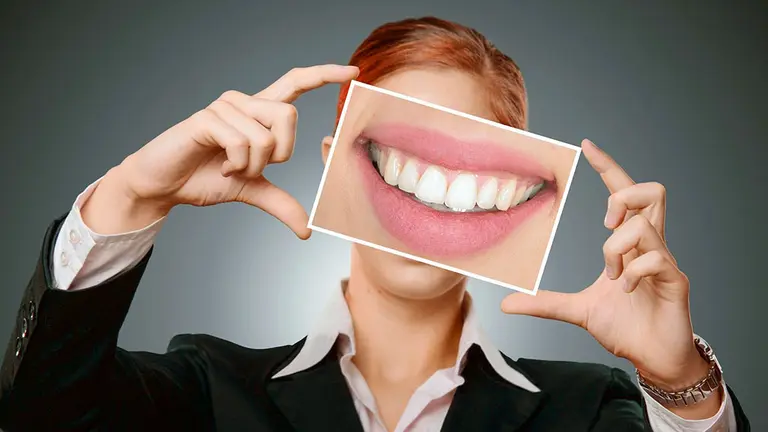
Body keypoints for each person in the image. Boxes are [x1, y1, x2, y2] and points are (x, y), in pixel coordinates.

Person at [0, 16, 750, 432]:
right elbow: (41, 415)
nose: (441, 184)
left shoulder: (591, 410)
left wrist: (679, 379)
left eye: (477, 155)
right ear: (332, 162)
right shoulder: (207, 389)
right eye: (399, 140)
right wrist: (132, 197)